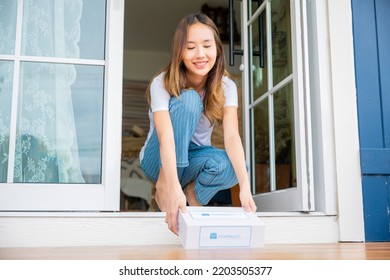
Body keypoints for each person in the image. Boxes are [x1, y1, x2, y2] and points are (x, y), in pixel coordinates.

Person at [139, 12, 257, 235]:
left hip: (194, 158)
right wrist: (172, 186)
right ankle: (166, 185)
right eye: (191, 47)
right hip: (159, 158)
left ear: (217, 49)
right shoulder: (162, 82)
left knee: (237, 166)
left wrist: (245, 186)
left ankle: (191, 193)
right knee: (190, 99)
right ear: (179, 52)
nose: (200, 54)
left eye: (207, 45)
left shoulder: (227, 86)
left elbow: (232, 137)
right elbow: (165, 137)